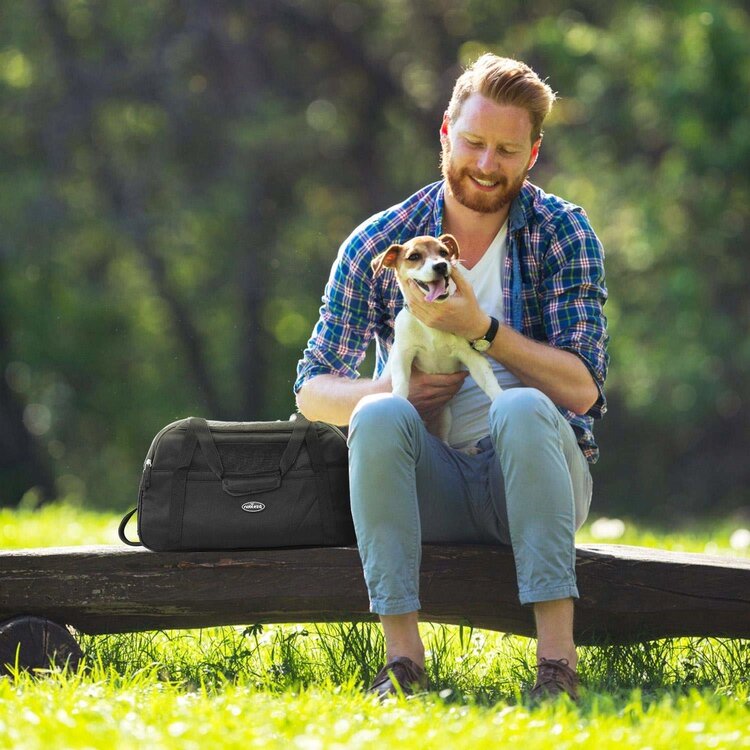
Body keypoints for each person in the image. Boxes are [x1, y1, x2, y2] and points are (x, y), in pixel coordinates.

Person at [294, 53, 608, 701]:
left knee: (520, 409)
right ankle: (403, 662)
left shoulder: (562, 233)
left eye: (506, 150)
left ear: (532, 155)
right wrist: (394, 390)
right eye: (472, 143)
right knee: (377, 415)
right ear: (445, 133)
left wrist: (484, 331)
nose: (487, 165)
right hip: (428, 483)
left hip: (536, 478)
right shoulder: (380, 243)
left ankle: (557, 668)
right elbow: (311, 392)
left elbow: (583, 389)